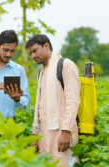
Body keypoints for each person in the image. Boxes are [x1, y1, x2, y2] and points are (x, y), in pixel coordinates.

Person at [26, 34, 81, 166]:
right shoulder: (42, 71)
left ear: (46, 46)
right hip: (44, 135)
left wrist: (66, 131)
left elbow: (72, 101)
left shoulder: (66, 65)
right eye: (31, 53)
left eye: (35, 51)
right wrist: (36, 135)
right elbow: (39, 106)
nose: (33, 56)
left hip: (61, 134)